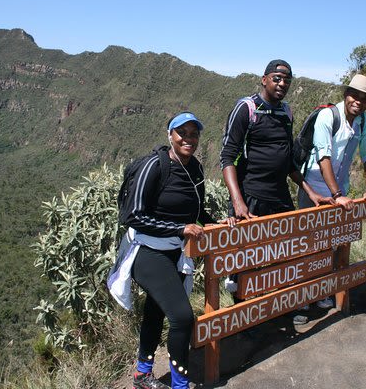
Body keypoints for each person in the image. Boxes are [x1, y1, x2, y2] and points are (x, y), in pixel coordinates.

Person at [108, 112, 228, 389]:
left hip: (174, 251)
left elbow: (194, 209)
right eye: (182, 133)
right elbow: (132, 216)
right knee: (183, 317)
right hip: (146, 250)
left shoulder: (194, 168)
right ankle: (180, 385)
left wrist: (212, 222)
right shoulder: (153, 166)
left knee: (156, 309)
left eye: (193, 134)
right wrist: (179, 229)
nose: (188, 138)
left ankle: (142, 372)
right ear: (170, 135)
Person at [219, 59, 330, 298]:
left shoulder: (285, 111)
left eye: (287, 80)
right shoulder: (246, 109)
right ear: (264, 79)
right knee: (244, 262)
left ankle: (276, 307)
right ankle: (243, 319)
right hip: (250, 196)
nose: (282, 84)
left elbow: (288, 159)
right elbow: (227, 157)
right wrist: (238, 201)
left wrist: (310, 192)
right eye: (277, 78)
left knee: (283, 255)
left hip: (278, 196)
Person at [294, 74, 366, 323]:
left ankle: (321, 291)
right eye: (355, 95)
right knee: (308, 244)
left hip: (338, 188)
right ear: (346, 93)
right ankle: (301, 302)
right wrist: (337, 196)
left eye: (365, 99)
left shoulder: (362, 121)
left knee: (329, 242)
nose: (359, 101)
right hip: (314, 189)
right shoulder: (327, 116)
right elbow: (324, 157)